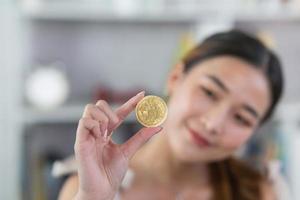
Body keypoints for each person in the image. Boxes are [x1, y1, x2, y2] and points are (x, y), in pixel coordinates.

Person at [58, 30, 284, 200]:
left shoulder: (260, 192)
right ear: (175, 78)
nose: (213, 123)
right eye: (209, 92)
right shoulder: (85, 188)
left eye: (242, 118)